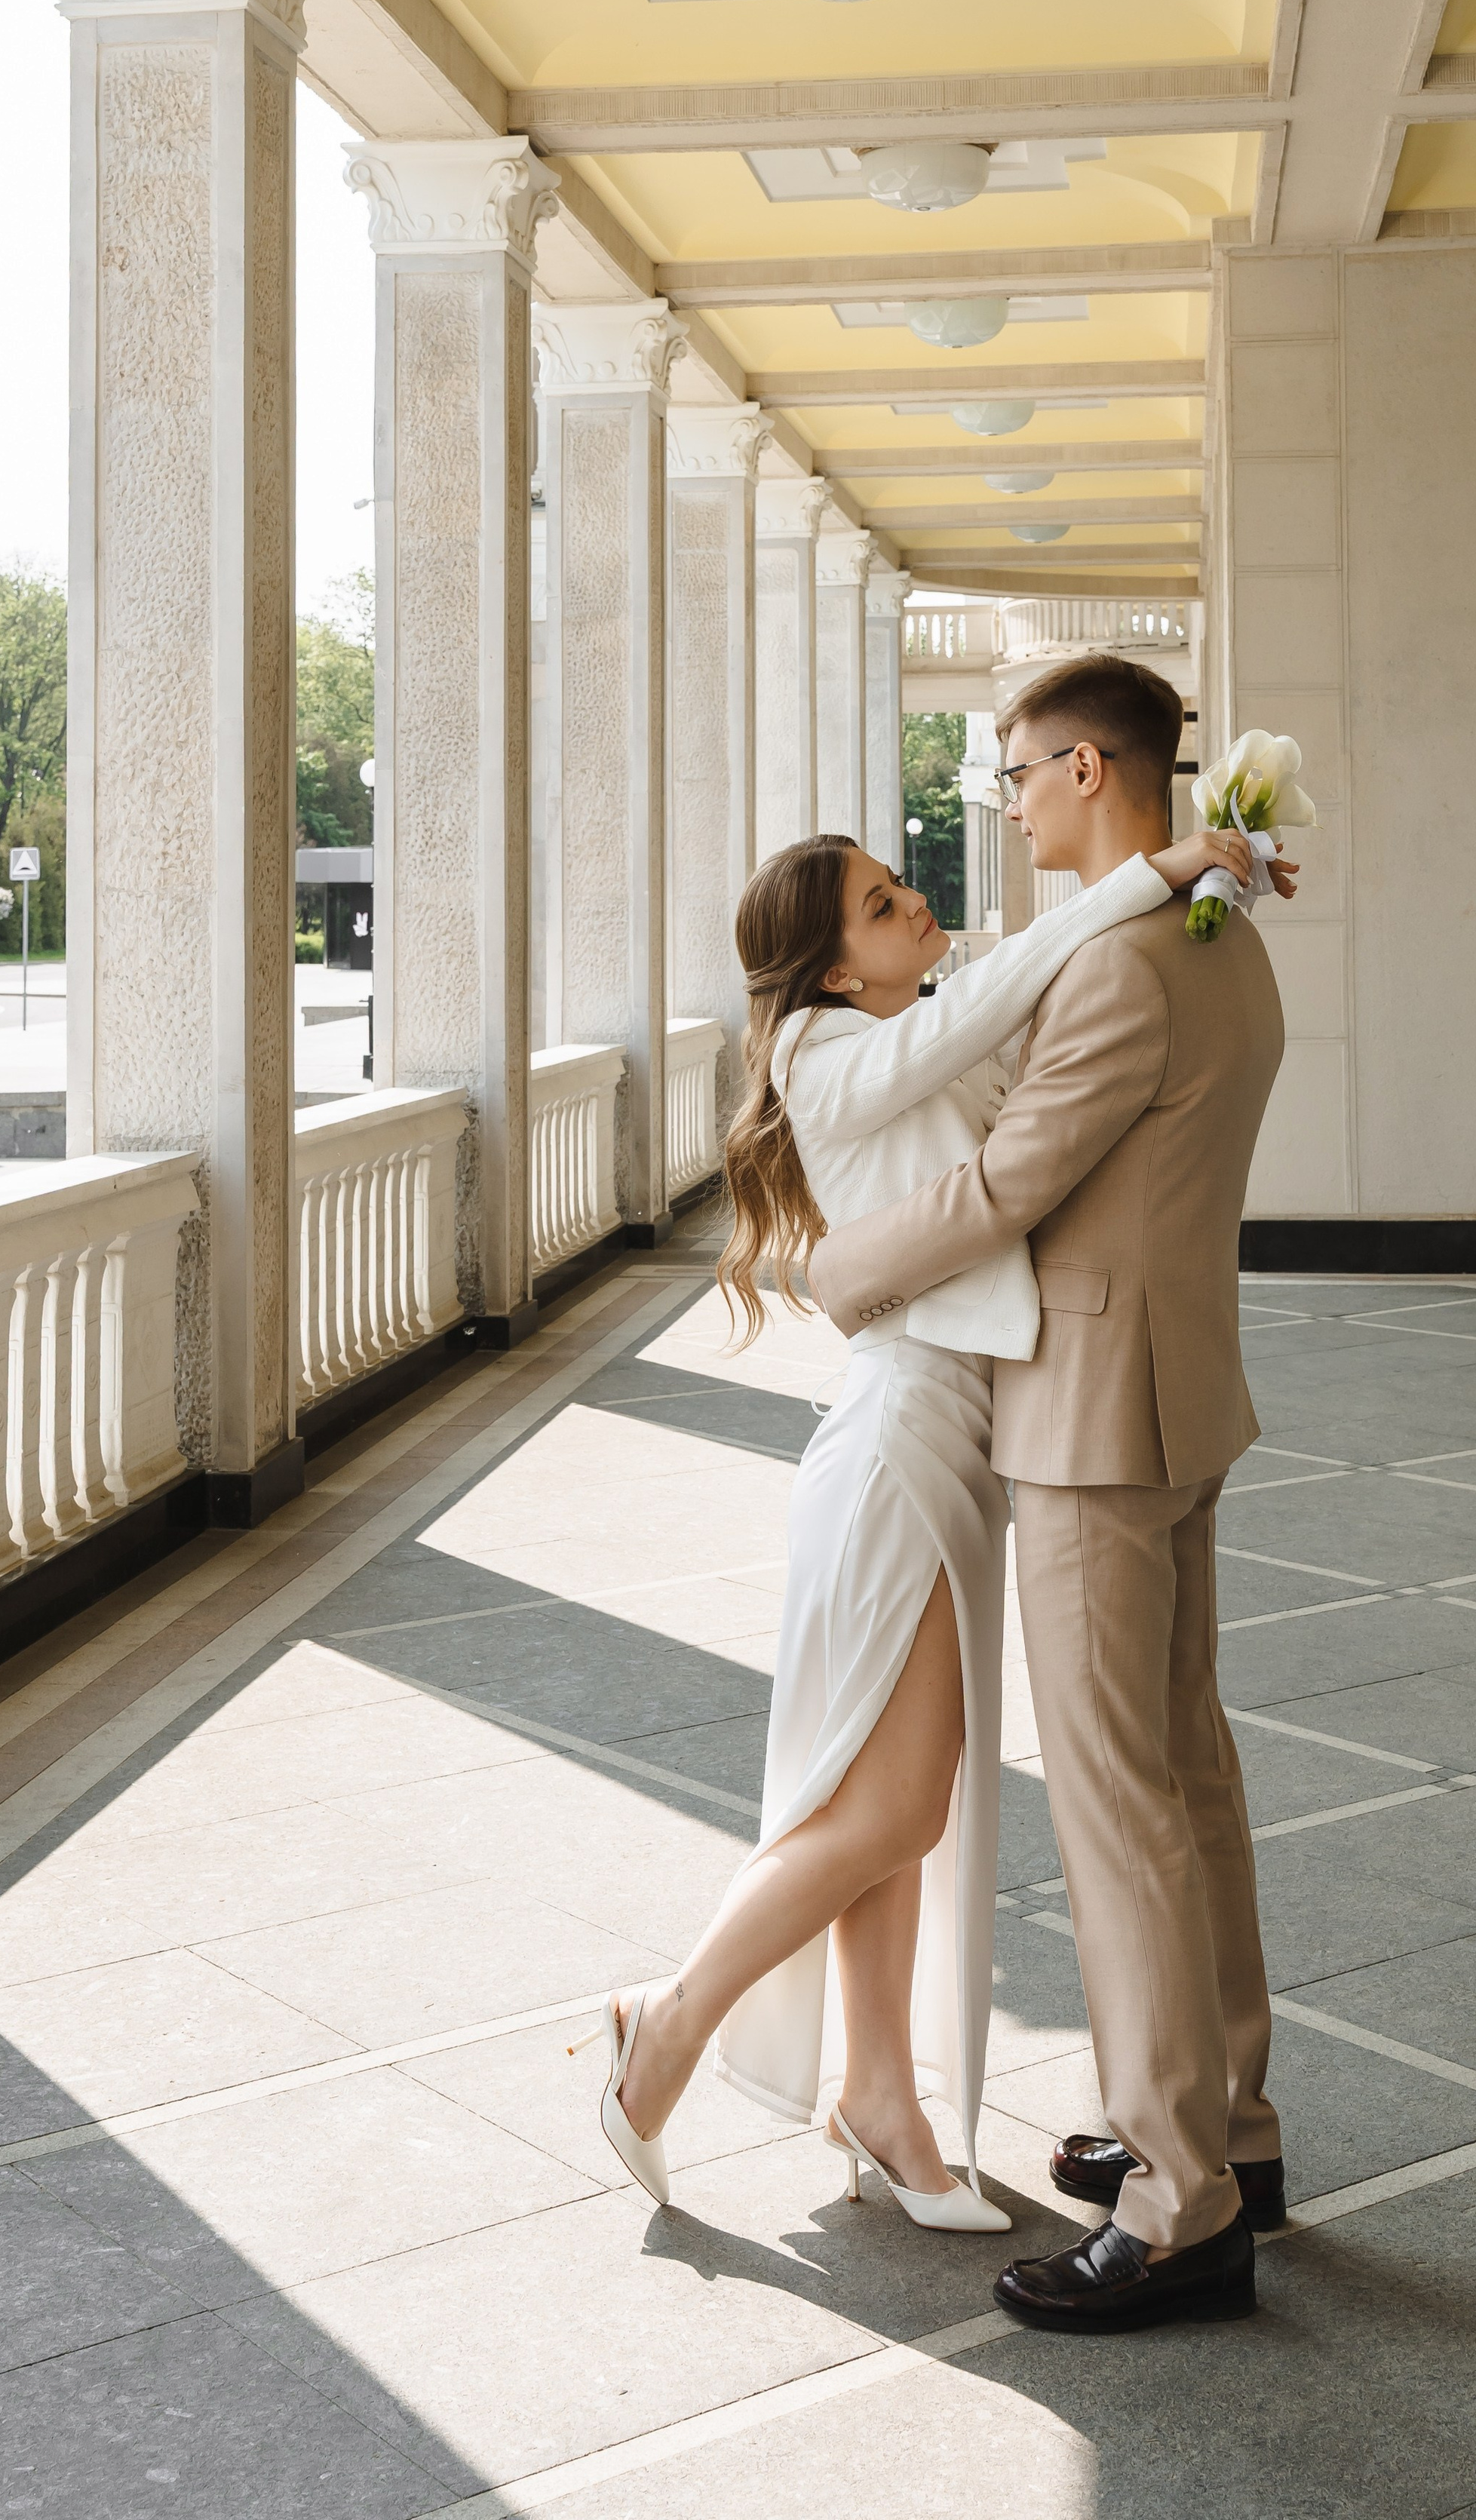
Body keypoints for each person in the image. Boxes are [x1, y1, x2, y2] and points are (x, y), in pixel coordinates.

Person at [589, 779, 1266, 2238]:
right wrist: (1160, 868)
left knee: (890, 1798)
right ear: (836, 969)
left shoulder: (909, 1030)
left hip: (960, 1442)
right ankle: (672, 2017)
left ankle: (880, 2095)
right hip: (901, 1441)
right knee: (891, 1803)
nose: (917, 904)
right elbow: (1020, 983)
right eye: (883, 903)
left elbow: (1032, 1015)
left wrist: (1210, 896)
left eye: (902, 884)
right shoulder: (825, 1050)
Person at [807, 653, 1293, 2332]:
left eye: (1012, 772)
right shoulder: (1220, 936)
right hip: (1179, 1389)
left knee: (1118, 1806)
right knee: (1188, 1774)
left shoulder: (1124, 965)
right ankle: (1227, 2128)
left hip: (1092, 1416)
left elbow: (1013, 1180)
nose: (1002, 802)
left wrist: (839, 1270)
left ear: (1087, 769)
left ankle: (1176, 2204)